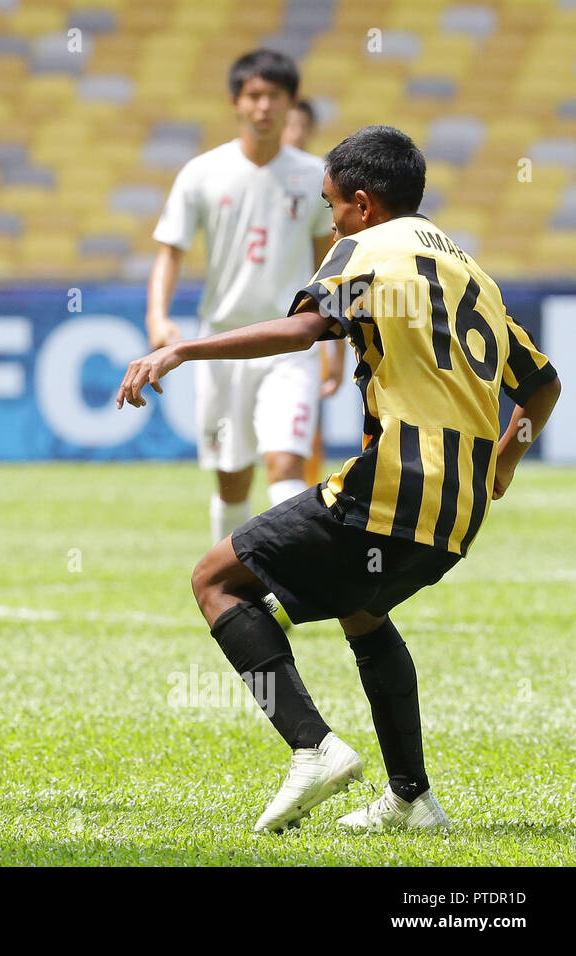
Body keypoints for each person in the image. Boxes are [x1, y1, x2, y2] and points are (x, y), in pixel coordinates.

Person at [117, 125, 560, 832]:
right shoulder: (471, 270)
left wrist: (182, 350)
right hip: (461, 508)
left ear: (362, 204)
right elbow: (542, 387)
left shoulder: (366, 251)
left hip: (397, 479)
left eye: (330, 208)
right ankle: (413, 798)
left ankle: (312, 748)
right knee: (362, 604)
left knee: (215, 580)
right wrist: (506, 457)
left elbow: (301, 333)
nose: (327, 224)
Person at [148, 50, 337, 546]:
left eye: (275, 95)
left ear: (291, 103)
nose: (264, 106)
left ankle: (287, 587)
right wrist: (158, 316)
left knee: (285, 464)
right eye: (254, 95)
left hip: (290, 344)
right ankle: (232, 592)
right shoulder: (202, 173)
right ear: (236, 101)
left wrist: (336, 343)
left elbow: (328, 266)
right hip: (223, 345)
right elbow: (170, 251)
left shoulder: (316, 177)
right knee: (232, 481)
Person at [282, 97, 348, 487]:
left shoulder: (319, 190)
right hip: (253, 325)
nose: (293, 133)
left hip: (302, 327)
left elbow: (329, 272)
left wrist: (335, 347)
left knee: (297, 445)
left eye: (300, 126)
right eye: (288, 124)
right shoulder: (243, 180)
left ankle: (294, 510)